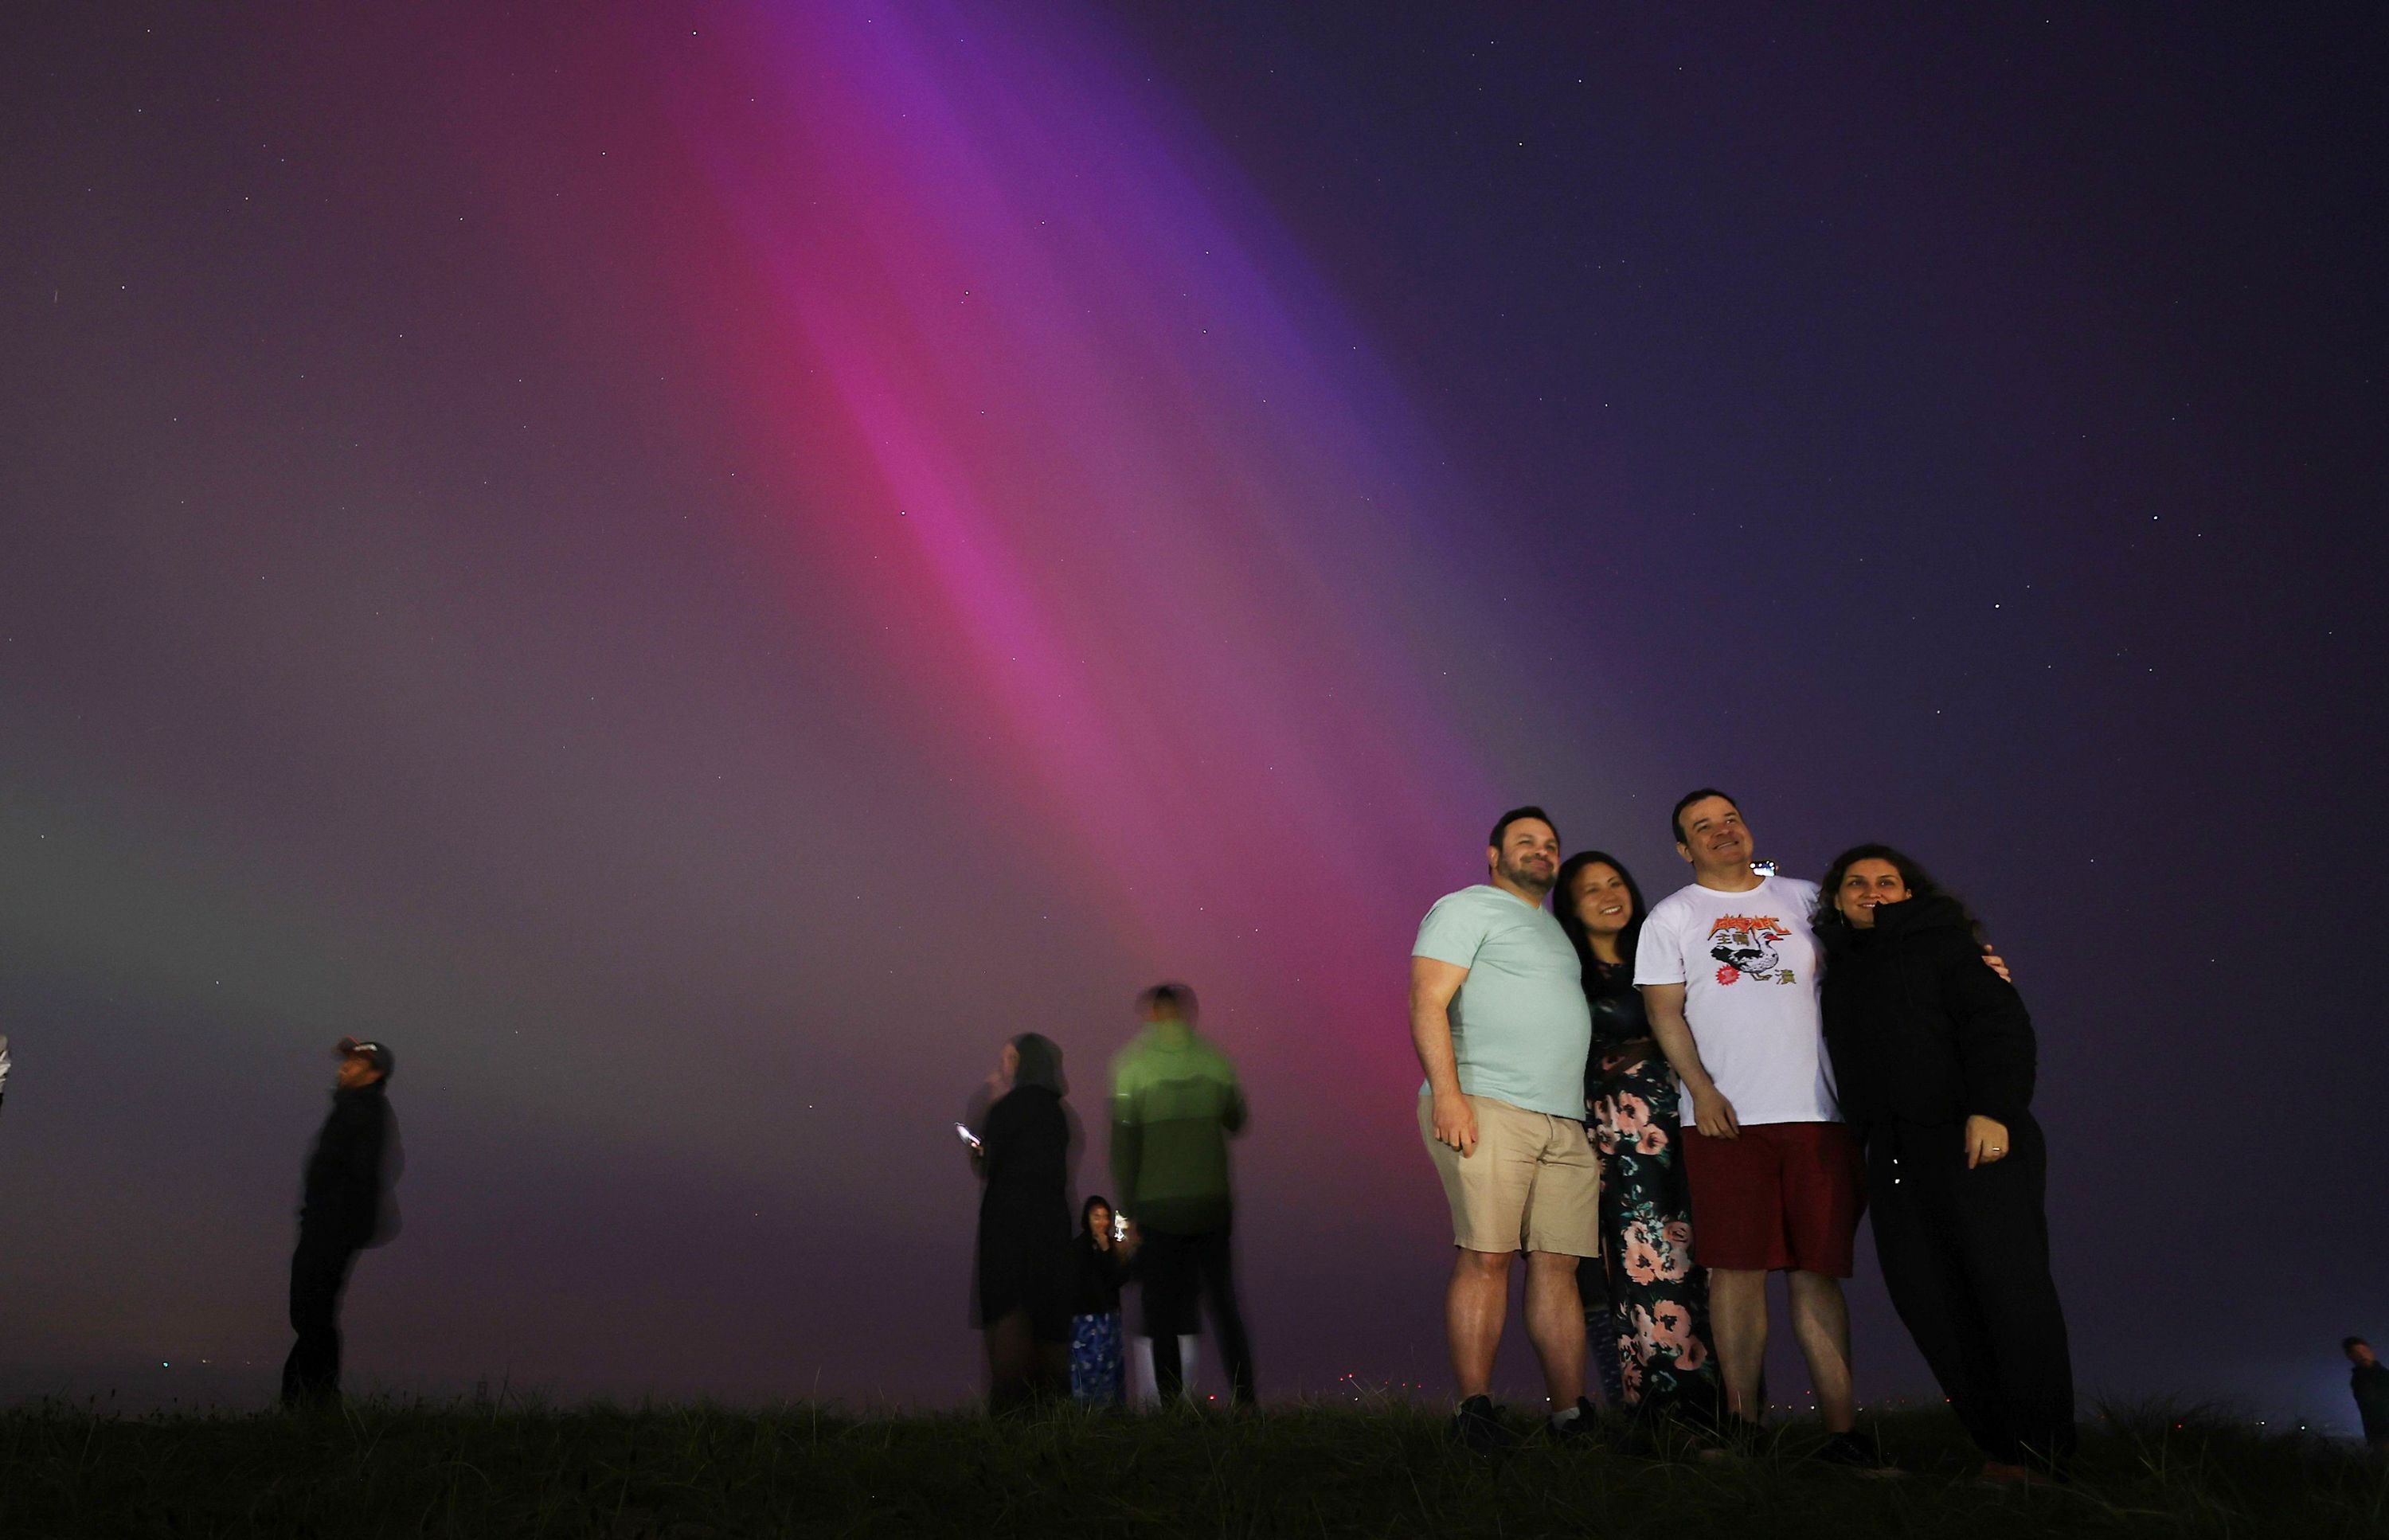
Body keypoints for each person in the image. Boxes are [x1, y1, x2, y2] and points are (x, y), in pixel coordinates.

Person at [1635, 789, 1881, 1467]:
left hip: (1815, 1115)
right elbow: (1664, 1013)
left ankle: (1843, 1434)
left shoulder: (1802, 898)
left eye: (1731, 820)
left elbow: (1885, 944)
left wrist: (1975, 960)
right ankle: (1743, 1429)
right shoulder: (1674, 917)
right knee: (1735, 1273)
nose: (1722, 832)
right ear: (1684, 848)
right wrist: (1702, 1090)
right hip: (1724, 1121)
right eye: (1702, 828)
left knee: (1815, 1273)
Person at [1816, 845, 2074, 1480]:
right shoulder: (1838, 967)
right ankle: (2000, 1447)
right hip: (1896, 1152)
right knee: (1929, 1301)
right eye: (1856, 883)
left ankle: (2043, 1453)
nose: (1871, 890)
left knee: (2009, 1295)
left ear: (1910, 892)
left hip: (1976, 1142)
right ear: (1838, 898)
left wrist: (1992, 1109)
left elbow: (2001, 1027)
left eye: (1885, 880)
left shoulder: (1947, 947)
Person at [1411, 807, 1601, 1450]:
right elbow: (1427, 999)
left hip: (1563, 1119)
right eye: (1525, 842)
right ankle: (1475, 1411)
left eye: (1550, 844)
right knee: (1487, 1254)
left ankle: (1570, 1416)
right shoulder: (1466, 908)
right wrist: (1449, 1095)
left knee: (1557, 1265)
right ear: (1493, 855)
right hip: (1487, 1101)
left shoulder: (1553, 931)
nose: (1541, 852)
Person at [1555, 850, 1718, 1434]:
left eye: (1615, 882)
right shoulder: (1569, 972)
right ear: (1572, 910)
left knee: (1705, 1263)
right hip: (1620, 1137)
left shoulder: (1665, 954)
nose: (1608, 895)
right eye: (1590, 890)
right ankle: (1656, 1412)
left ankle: (1722, 1410)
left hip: (1687, 1124)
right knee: (1642, 1265)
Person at [1109, 983, 1255, 1405]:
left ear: (1151, 1014)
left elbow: (1122, 1153)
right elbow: (1238, 1120)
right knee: (1224, 1303)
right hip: (1212, 1202)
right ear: (1187, 1014)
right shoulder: (1216, 1058)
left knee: (1161, 1309)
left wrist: (1121, 1230)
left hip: (1156, 1209)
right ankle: (1246, 1401)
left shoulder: (1129, 1066)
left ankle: (1171, 1406)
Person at [282, 1036, 400, 1409]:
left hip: (332, 1228)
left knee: (312, 1313)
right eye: (345, 1061)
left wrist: (334, 1222)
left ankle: (312, 1402)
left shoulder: (364, 1111)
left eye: (355, 1063)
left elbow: (361, 1175)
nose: (344, 1068)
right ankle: (309, 1402)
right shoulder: (353, 1108)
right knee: (310, 1313)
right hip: (326, 1224)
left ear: (374, 1073)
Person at [969, 1032, 1075, 1412]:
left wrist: (979, 1143)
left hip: (1008, 1226)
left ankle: (1010, 1415)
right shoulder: (1059, 1113)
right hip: (1050, 1227)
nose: (1004, 1067)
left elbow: (988, 1164)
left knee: (1010, 1315)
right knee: (1048, 1321)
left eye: (1011, 1059)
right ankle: (1054, 1415)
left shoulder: (1005, 1110)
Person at [1067, 1194, 1140, 1406]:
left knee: (1110, 1368)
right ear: (1087, 1218)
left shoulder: (1113, 1245)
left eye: (1105, 1217)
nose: (1102, 1222)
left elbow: (1120, 1278)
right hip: (1085, 1320)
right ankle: (1087, 1417)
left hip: (1109, 1318)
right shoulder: (1078, 1248)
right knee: (1087, 1371)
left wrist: (1109, 1251)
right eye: (1096, 1216)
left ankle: (1113, 1417)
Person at [2348, 1339, 2389, 1452]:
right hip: (2382, 1436)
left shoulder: (2383, 1374)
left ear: (2371, 1352)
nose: (2362, 1355)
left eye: (2364, 1350)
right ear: (2351, 1356)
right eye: (2357, 1352)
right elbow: (2374, 1407)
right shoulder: (2360, 1380)